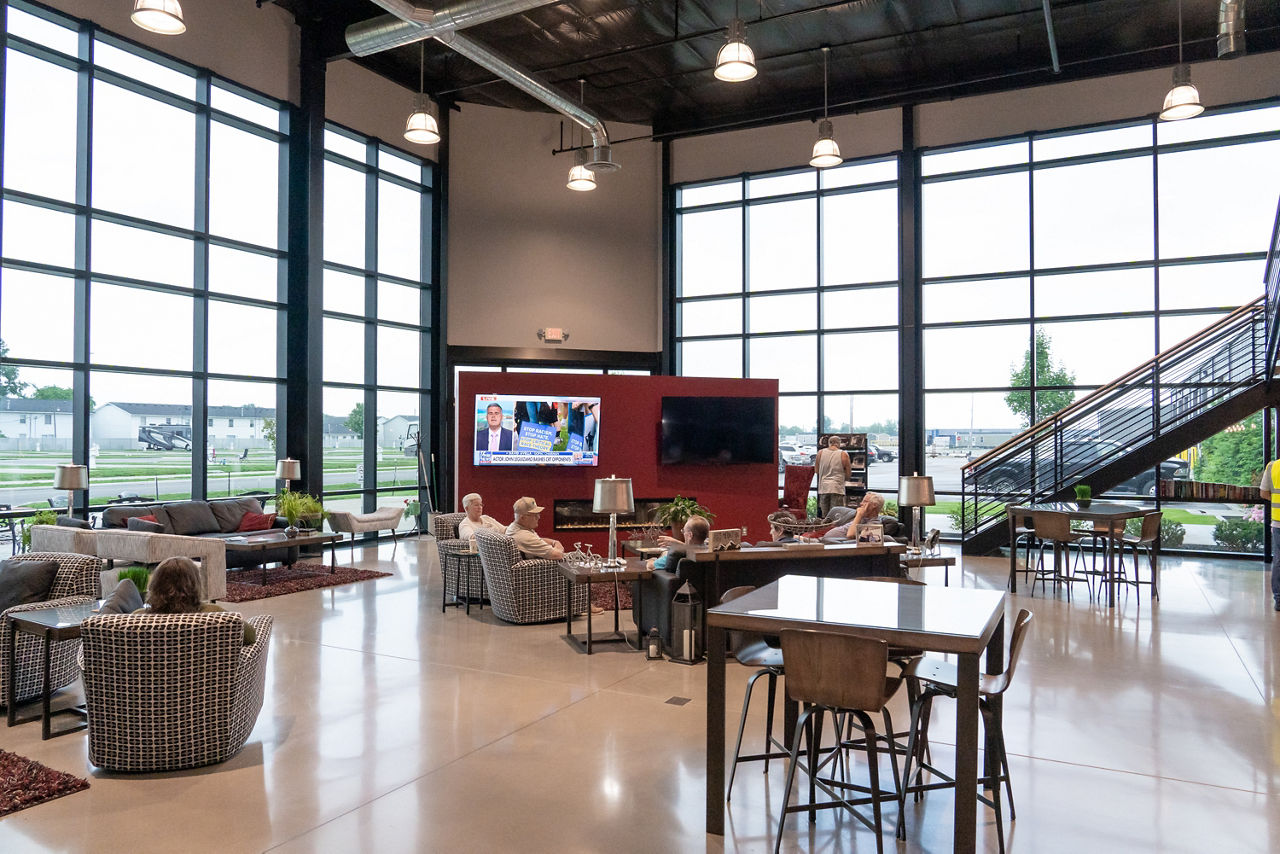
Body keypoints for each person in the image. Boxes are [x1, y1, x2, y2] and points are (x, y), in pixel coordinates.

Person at [137, 556, 254, 645]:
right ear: (195, 585)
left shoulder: (136, 619)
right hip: (208, 676)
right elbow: (251, 637)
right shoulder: (216, 615)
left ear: (155, 585)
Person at [1259, 461, 1280, 611]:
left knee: (1278, 560)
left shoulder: (1273, 466)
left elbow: (1264, 493)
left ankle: (1279, 599)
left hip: (1278, 521)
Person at [815, 435, 852, 516]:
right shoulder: (843, 454)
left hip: (823, 488)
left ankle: (826, 528)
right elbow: (848, 474)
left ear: (829, 443)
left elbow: (817, 471)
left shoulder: (820, 453)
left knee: (825, 516)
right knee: (836, 516)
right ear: (838, 443)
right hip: (837, 488)